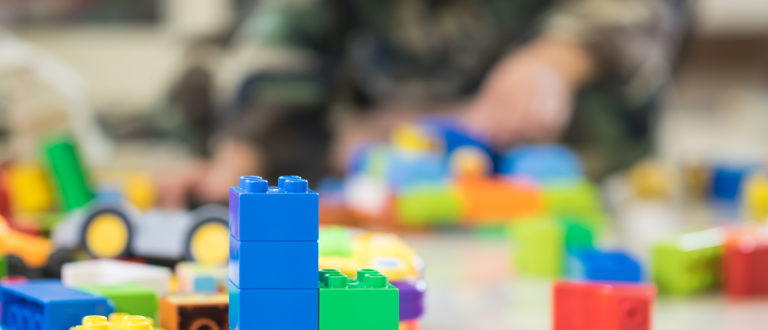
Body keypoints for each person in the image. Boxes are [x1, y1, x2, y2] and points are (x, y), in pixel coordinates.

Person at [161, 0, 690, 207]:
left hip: (549, 162)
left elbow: (648, 12)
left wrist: (555, 60)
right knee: (203, 82)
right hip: (385, 157)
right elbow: (284, 39)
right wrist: (241, 161)